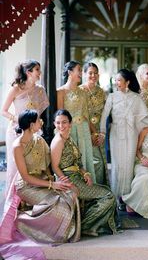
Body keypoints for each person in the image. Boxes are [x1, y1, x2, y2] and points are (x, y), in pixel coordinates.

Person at [0, 109, 80, 244]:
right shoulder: (17, 146)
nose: (41, 122)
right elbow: (25, 176)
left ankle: (61, 232)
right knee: (59, 204)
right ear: (31, 125)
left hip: (44, 182)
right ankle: (24, 224)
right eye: (38, 120)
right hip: (26, 187)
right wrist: (52, 185)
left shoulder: (39, 140)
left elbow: (49, 166)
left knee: (70, 194)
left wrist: (56, 181)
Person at [50, 109, 118, 237]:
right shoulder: (58, 141)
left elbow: (78, 162)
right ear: (54, 124)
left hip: (77, 176)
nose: (61, 126)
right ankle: (85, 226)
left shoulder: (68, 138)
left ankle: (90, 225)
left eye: (64, 122)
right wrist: (68, 184)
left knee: (106, 192)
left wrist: (86, 173)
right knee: (108, 196)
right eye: (58, 123)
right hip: (69, 179)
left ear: (70, 124)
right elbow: (54, 167)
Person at [100, 69, 148, 208]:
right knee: (117, 165)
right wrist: (102, 132)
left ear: (127, 82)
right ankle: (115, 197)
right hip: (115, 133)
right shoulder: (111, 97)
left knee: (128, 164)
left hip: (131, 134)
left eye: (119, 80)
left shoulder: (136, 98)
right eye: (116, 80)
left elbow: (146, 117)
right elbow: (104, 116)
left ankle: (126, 198)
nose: (117, 83)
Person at [1, 60, 49, 192]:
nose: (40, 73)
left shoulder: (40, 90)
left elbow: (41, 113)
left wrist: (39, 127)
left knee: (33, 166)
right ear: (29, 72)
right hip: (16, 132)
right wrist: (19, 120)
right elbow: (3, 111)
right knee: (15, 167)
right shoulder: (16, 89)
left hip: (34, 132)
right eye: (37, 70)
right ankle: (13, 204)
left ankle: (30, 201)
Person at [57, 61, 96, 182]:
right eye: (78, 70)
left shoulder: (83, 92)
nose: (80, 73)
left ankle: (88, 190)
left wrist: (94, 132)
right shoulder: (61, 91)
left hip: (83, 129)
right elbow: (60, 115)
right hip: (70, 129)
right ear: (70, 72)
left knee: (85, 158)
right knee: (72, 159)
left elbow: (87, 115)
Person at [80, 62, 109, 185]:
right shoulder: (79, 91)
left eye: (95, 73)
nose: (93, 75)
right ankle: (89, 192)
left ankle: (101, 192)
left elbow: (105, 114)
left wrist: (102, 133)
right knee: (90, 162)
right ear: (84, 74)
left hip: (99, 131)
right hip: (84, 130)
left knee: (101, 163)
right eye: (90, 73)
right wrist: (93, 132)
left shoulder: (101, 92)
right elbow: (82, 114)